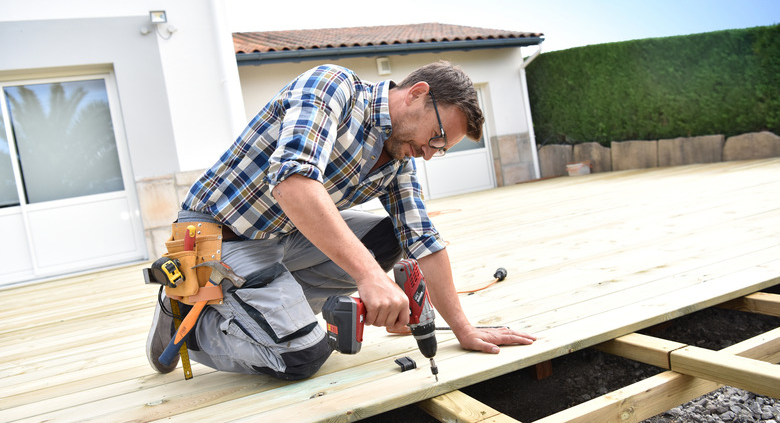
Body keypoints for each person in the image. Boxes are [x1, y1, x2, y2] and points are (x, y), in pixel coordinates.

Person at [146, 61, 536, 380]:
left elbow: (423, 238)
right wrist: (371, 278)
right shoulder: (335, 87)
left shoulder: (397, 159)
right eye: (436, 137)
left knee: (391, 238)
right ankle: (187, 320)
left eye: (442, 149)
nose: (431, 154)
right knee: (302, 355)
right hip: (221, 235)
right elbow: (292, 183)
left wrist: (463, 328)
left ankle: (274, 307)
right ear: (417, 93)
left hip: (283, 235)